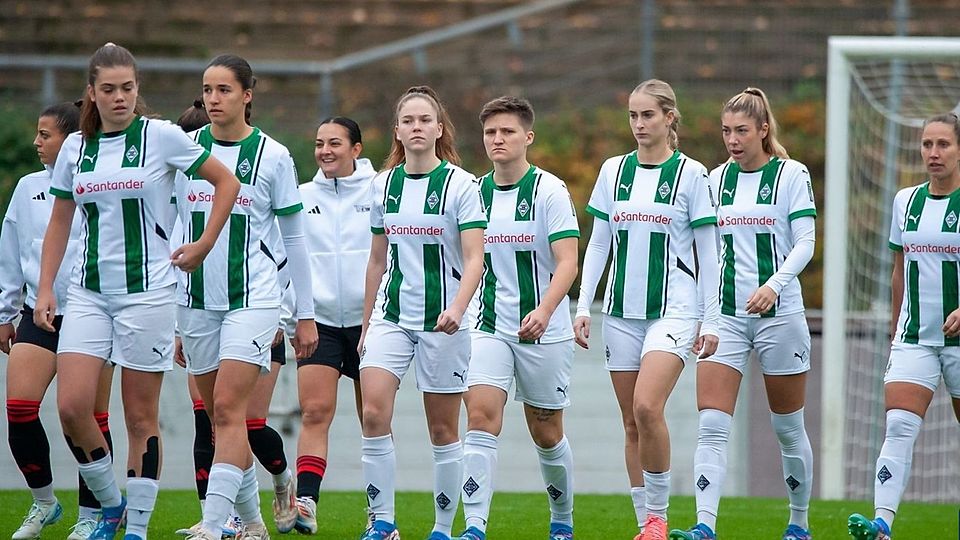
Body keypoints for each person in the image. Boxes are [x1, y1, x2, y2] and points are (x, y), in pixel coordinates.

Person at [35, 42, 241, 540]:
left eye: (128, 88)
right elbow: (60, 219)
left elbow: (225, 182)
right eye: (109, 89)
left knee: (139, 415)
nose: (120, 97)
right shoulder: (74, 149)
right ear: (92, 94)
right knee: (71, 407)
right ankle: (111, 503)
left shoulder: (162, 137)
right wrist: (46, 288)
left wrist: (204, 244)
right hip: (87, 293)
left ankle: (137, 530)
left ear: (137, 89)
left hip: (148, 293)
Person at [172, 54, 318, 540]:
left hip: (253, 300)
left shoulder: (273, 156)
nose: (214, 99)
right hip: (195, 300)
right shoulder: (186, 149)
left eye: (224, 90)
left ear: (247, 96)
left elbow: (295, 241)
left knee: (233, 413)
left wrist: (304, 316)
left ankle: (215, 525)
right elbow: (170, 224)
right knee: (218, 416)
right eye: (207, 90)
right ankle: (253, 520)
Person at [572, 79, 721, 540]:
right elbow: (598, 243)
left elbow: (709, 253)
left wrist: (711, 319)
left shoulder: (691, 174)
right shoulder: (613, 170)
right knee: (631, 421)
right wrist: (583, 305)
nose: (639, 124)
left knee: (647, 406)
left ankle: (658, 517)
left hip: (674, 310)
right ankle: (646, 526)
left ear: (669, 118)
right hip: (619, 313)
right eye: (633, 115)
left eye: (648, 115)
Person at [669, 88, 817, 540]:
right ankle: (704, 526)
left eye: (741, 131)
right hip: (726, 318)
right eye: (726, 131)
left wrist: (774, 286)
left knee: (787, 427)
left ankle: (798, 522)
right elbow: (701, 253)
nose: (732, 139)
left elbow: (807, 242)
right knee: (712, 423)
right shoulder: (714, 180)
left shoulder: (791, 174)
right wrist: (702, 314)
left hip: (780, 315)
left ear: (763, 130)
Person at [358, 86, 486, 540]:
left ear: (438, 128)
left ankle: (441, 529)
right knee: (374, 415)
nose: (416, 127)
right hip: (391, 318)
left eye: (424, 120)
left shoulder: (461, 185)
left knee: (443, 428)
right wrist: (367, 320)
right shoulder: (383, 184)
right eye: (408, 121)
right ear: (397, 131)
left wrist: (457, 307)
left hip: (443, 323)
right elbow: (376, 259)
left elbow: (476, 258)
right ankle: (382, 523)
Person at [456, 96, 580, 540]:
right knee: (481, 418)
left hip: (544, 331)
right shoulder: (473, 192)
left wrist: (545, 310)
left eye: (507, 131)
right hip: (489, 325)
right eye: (490, 132)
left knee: (546, 431)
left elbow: (568, 261)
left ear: (527, 137)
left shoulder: (549, 190)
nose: (497, 139)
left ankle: (562, 520)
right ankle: (474, 526)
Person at [1, 102, 116, 540]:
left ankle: (96, 513)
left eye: (45, 134)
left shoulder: (99, 183)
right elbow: (11, 251)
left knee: (87, 416)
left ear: (71, 140)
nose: (36, 142)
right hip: (36, 314)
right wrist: (5, 312)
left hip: (92, 315)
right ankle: (45, 502)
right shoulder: (28, 187)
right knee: (20, 409)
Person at [847, 112, 960, 540]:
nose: (933, 153)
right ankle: (881, 523)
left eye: (943, 144)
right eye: (927, 144)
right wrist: (897, 330)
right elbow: (899, 270)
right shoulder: (905, 201)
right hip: (915, 339)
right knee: (898, 426)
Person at [292, 116, 375, 534]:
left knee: (373, 419)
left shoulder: (379, 190)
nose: (325, 151)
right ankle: (305, 502)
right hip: (318, 322)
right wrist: (292, 314)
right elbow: (286, 259)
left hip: (371, 324)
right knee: (314, 411)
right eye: (319, 143)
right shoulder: (301, 196)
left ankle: (380, 513)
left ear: (356, 149)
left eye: (335, 143)